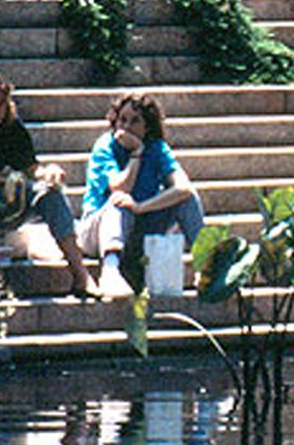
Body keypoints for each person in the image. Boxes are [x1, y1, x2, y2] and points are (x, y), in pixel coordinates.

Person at [0, 68, 101, 299]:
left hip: (10, 200)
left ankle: (81, 274)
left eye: (2, 104)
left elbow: (31, 169)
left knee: (50, 193)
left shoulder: (12, 129)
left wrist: (49, 173)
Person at [77, 92, 205, 297]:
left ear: (147, 127)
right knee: (120, 201)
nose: (126, 127)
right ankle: (110, 271)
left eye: (135, 121)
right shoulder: (105, 147)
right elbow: (121, 188)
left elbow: (183, 188)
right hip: (98, 230)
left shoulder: (157, 149)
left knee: (187, 199)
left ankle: (205, 267)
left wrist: (141, 207)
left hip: (138, 224)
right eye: (122, 120)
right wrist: (136, 153)